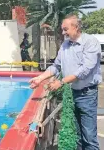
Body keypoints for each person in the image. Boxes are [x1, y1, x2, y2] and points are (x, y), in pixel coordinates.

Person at [29, 14, 102, 150]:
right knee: (79, 136)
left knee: (89, 137)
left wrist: (61, 82)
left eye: (65, 29)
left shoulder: (90, 42)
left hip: (87, 94)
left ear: (76, 27)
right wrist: (40, 78)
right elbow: (56, 66)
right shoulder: (65, 45)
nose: (63, 32)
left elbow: (84, 70)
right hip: (74, 92)